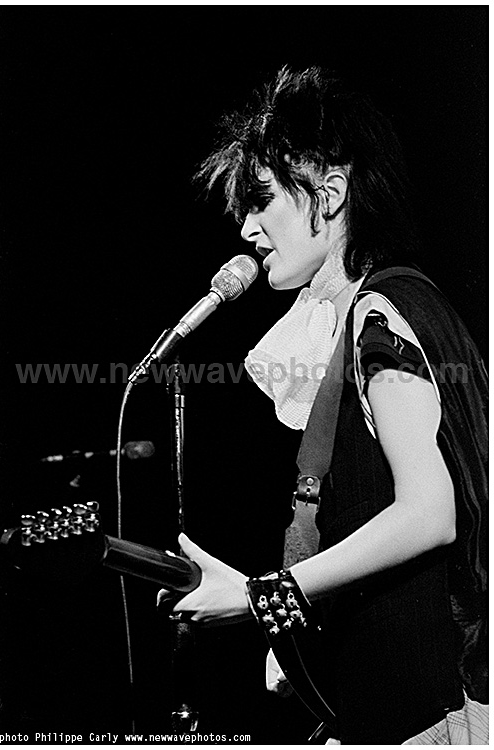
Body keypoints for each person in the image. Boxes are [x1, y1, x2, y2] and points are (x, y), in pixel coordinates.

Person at [158, 67, 488, 744]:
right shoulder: (374, 315)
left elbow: (428, 514)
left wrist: (264, 595)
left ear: (330, 194)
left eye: (261, 200)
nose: (246, 228)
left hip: (433, 719)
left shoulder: (381, 316)